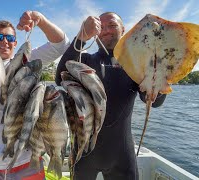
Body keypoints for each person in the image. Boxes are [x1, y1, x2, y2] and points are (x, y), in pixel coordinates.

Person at [55, 12, 166, 180]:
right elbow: (59, 77)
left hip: (121, 154)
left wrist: (163, 75)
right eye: (102, 27)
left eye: (112, 26)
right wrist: (81, 36)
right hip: (84, 152)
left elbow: (155, 101)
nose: (106, 31)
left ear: (123, 29)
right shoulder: (84, 60)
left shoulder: (136, 64)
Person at [0, 10, 69, 180]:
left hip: (28, 159)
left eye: (10, 38)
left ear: (15, 42)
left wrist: (41, 21)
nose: (5, 41)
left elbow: (60, 44)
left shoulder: (26, 61)